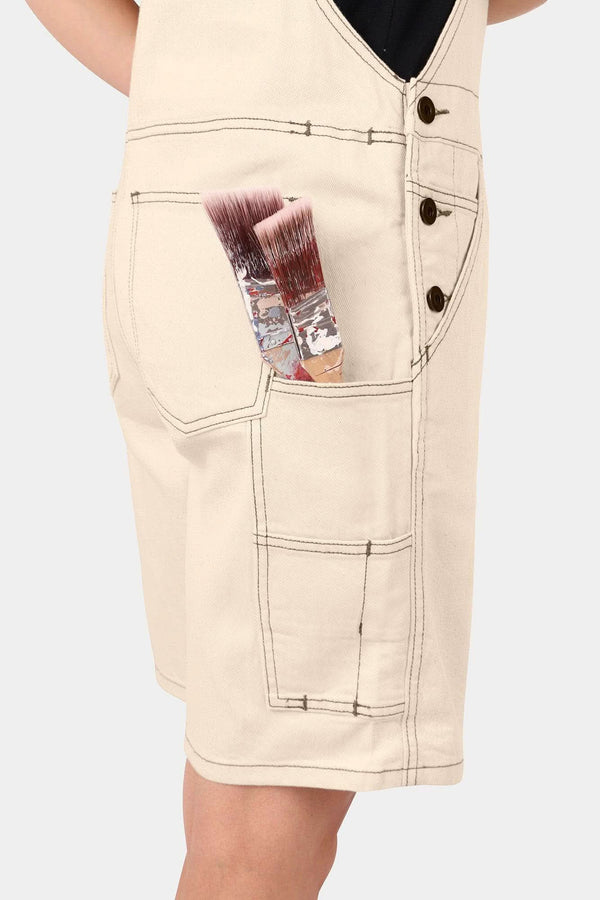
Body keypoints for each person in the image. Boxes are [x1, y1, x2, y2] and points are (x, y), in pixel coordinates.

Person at [24, 1, 547, 897]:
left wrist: (199, 74)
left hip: (183, 211)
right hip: (323, 229)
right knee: (263, 827)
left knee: (243, 783)